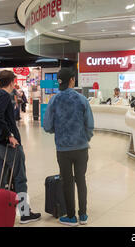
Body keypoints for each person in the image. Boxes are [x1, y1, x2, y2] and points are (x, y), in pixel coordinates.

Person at [0, 70, 41, 224]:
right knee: (20, 177)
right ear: (11, 82)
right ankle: (25, 213)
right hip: (8, 145)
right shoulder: (5, 96)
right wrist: (10, 135)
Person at [43, 68, 94, 226]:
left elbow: (47, 125)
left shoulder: (53, 100)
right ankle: (83, 215)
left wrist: (57, 131)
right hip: (81, 147)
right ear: (72, 80)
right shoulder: (82, 99)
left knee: (67, 181)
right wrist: (85, 138)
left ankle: (71, 216)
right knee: (81, 179)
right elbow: (90, 124)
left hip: (63, 149)